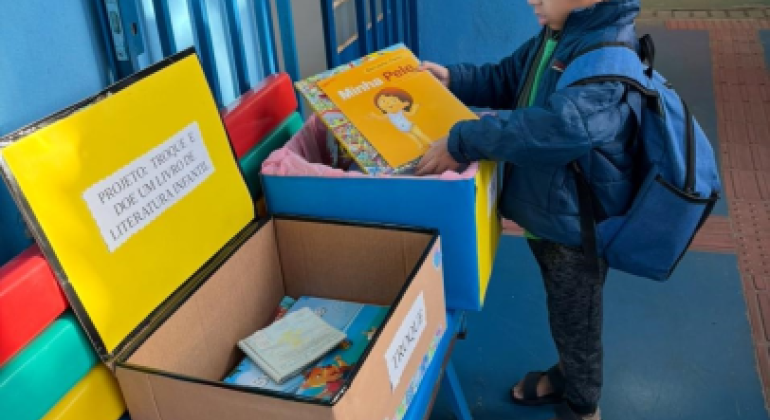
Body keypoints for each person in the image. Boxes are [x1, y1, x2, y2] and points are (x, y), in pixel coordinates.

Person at [417, 1, 642, 419]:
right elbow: (510, 77)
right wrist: (453, 78)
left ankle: (582, 406)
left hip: (579, 227)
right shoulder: (559, 33)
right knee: (566, 313)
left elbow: (558, 128)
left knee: (578, 321)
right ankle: (567, 373)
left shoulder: (607, 58)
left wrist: (462, 141)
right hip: (553, 212)